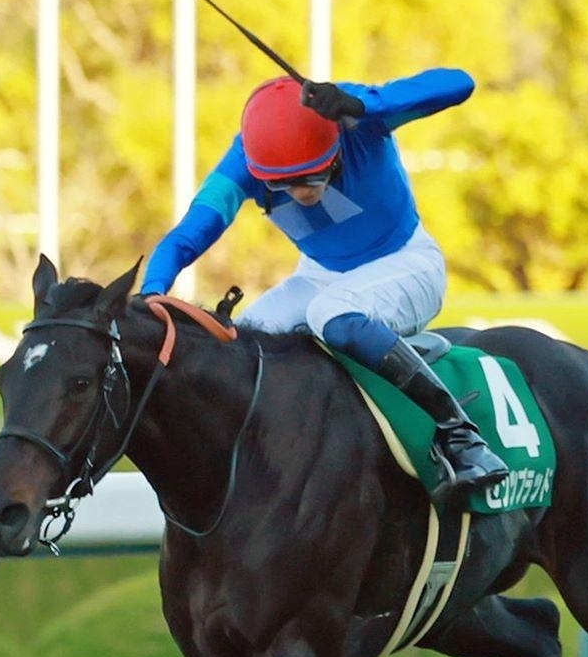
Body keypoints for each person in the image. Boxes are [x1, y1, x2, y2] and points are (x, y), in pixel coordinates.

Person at [143, 71, 508, 502]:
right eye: (282, 184)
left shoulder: (355, 118)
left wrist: (365, 105)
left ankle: (460, 433)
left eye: (314, 178)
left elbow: (460, 83)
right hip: (320, 275)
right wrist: (151, 293)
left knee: (330, 314)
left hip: (406, 263)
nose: (300, 193)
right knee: (244, 341)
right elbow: (187, 236)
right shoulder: (243, 162)